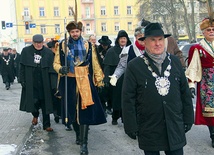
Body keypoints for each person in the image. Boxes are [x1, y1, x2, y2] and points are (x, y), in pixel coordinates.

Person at [122, 23, 194, 155]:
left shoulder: (175, 61)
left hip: (174, 124)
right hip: (149, 126)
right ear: (145, 42)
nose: (157, 43)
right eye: (153, 40)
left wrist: (188, 117)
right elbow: (128, 98)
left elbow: (184, 92)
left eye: (160, 39)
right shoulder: (134, 66)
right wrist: (130, 125)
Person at [53, 20, 106, 155]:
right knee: (72, 111)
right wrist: (61, 69)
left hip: (84, 81)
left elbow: (94, 62)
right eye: (72, 32)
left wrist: (99, 80)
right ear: (69, 33)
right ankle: (77, 134)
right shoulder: (61, 45)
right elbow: (56, 63)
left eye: (77, 31)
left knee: (85, 111)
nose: (75, 34)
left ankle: (84, 144)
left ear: (80, 32)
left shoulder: (88, 45)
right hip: (69, 80)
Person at [185, 17, 214, 147]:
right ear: (203, 32)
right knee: (210, 111)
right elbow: (193, 67)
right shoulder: (197, 48)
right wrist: (191, 85)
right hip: (207, 83)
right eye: (208, 30)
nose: (211, 32)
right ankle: (213, 135)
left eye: (213, 29)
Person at [19, 34, 54, 132]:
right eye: (36, 43)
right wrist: (22, 80)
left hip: (44, 82)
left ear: (43, 42)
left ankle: (47, 125)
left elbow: (52, 69)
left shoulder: (48, 52)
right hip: (31, 81)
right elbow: (21, 67)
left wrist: (53, 83)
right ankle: (35, 115)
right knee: (32, 102)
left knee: (45, 103)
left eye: (40, 43)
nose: (38, 45)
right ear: (33, 42)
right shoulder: (26, 51)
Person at [103, 30, 132, 125]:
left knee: (127, 98)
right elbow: (107, 65)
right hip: (116, 79)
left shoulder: (131, 50)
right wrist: (106, 79)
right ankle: (115, 116)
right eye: (121, 38)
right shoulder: (111, 51)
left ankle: (125, 117)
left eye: (124, 38)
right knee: (116, 98)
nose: (123, 40)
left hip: (128, 77)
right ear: (118, 40)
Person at [96, 35, 113, 116]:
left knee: (110, 91)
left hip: (109, 72)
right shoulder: (97, 50)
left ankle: (109, 107)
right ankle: (103, 108)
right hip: (100, 71)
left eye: (105, 45)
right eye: (103, 45)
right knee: (101, 91)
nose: (104, 46)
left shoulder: (111, 50)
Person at [47, 40, 62, 125]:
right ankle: (56, 113)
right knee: (54, 94)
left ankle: (59, 113)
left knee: (61, 95)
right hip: (52, 76)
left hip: (60, 75)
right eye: (53, 47)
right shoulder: (49, 55)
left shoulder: (61, 53)